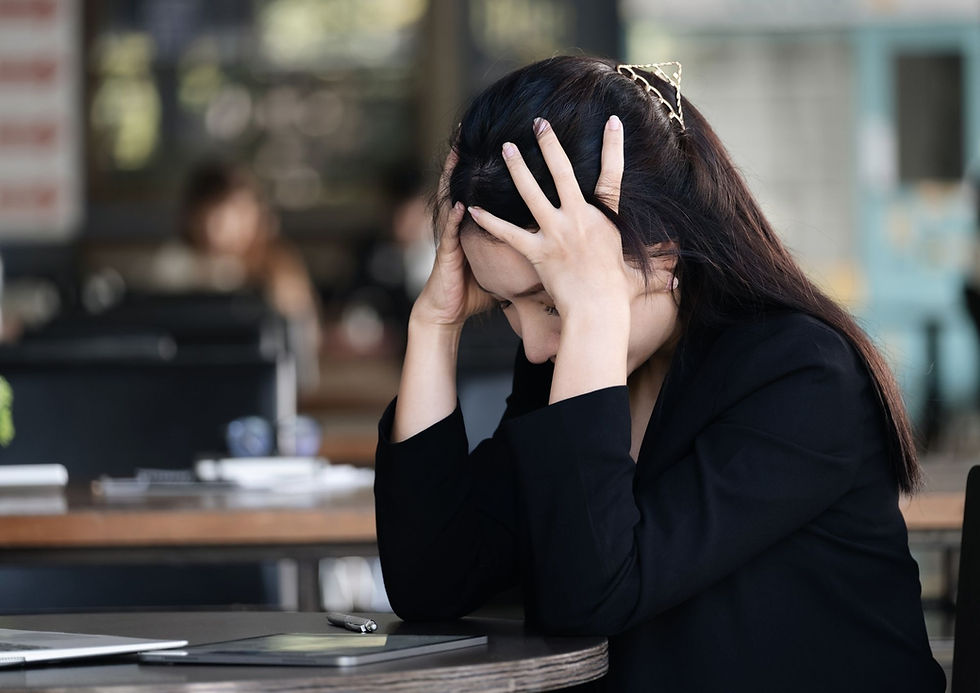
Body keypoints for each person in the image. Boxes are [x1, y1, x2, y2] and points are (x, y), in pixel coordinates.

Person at [373, 56, 945, 692]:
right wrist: (434, 326)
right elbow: (431, 582)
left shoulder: (801, 375)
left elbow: (587, 597)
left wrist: (591, 315)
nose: (535, 347)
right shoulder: (573, 364)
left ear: (662, 249)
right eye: (506, 306)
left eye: (551, 301)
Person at [177, 160, 321, 390]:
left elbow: (301, 351)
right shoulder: (173, 266)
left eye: (237, 210)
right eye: (216, 211)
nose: (223, 223)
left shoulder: (280, 269)